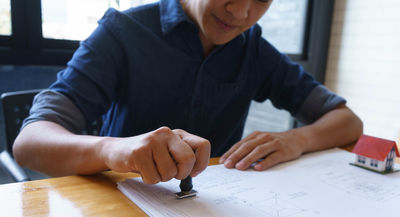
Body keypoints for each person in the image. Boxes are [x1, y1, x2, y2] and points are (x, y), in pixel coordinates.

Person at [13, 0, 363, 184]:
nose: (242, 13)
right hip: (123, 206)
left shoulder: (255, 50)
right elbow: (30, 143)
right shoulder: (124, 32)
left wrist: (295, 140)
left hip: (216, 212)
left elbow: (347, 121)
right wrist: (113, 149)